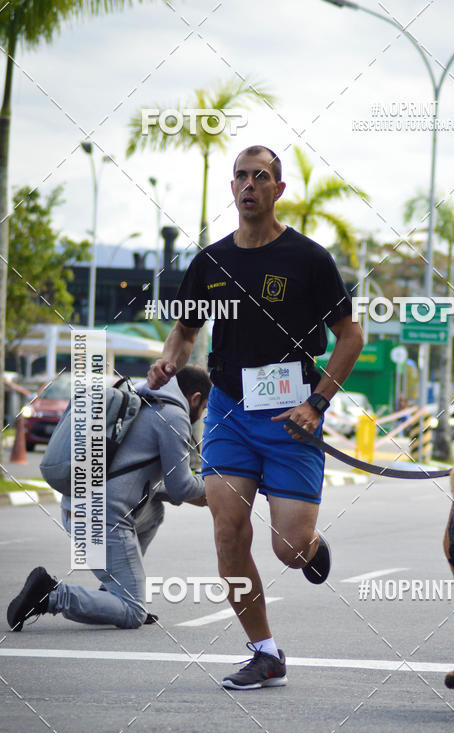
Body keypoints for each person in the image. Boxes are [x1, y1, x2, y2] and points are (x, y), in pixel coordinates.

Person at [147, 145, 364, 689]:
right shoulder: (211, 263)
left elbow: (350, 337)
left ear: (278, 190)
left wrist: (317, 404)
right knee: (228, 533)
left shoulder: (309, 260)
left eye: (260, 176)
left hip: (292, 416)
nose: (248, 184)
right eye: (240, 176)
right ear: (233, 187)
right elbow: (186, 331)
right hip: (228, 411)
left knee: (289, 549)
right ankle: (265, 650)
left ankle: (312, 547)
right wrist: (170, 358)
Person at [7, 366, 211, 632]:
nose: (202, 414)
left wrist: (191, 490)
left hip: (77, 510)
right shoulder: (173, 416)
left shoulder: (141, 398)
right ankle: (52, 595)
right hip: (101, 522)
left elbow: (146, 480)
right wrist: (213, 486)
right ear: (195, 398)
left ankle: (112, 594)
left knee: (155, 512)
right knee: (133, 612)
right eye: (204, 407)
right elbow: (181, 486)